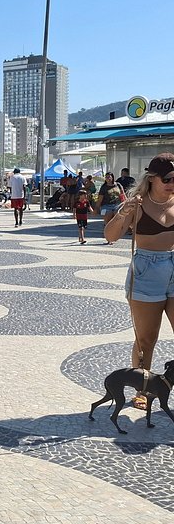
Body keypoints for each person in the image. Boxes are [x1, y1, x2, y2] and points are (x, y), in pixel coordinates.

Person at [104, 153, 174, 411]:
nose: (171, 183)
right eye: (167, 178)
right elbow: (110, 236)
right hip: (146, 271)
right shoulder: (139, 204)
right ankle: (142, 390)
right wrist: (123, 213)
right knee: (146, 340)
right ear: (152, 178)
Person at [94, 172, 125, 244]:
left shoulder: (118, 185)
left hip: (117, 204)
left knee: (117, 217)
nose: (108, 178)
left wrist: (126, 203)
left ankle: (114, 234)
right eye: (106, 177)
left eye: (109, 177)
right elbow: (100, 199)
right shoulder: (104, 187)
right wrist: (96, 208)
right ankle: (109, 238)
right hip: (106, 205)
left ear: (112, 177)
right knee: (108, 219)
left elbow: (123, 195)